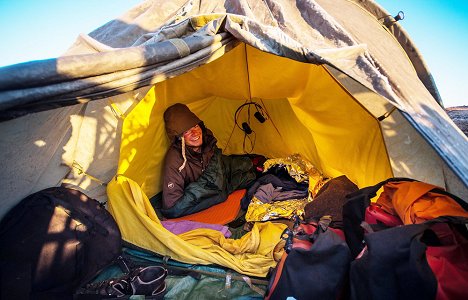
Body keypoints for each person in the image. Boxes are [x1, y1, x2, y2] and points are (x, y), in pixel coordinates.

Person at [160, 103, 257, 219]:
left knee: (248, 165)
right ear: (179, 138)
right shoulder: (175, 160)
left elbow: (217, 164)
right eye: (187, 131)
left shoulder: (207, 139)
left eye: (195, 126)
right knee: (245, 180)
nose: (195, 133)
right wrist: (211, 190)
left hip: (221, 169)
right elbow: (172, 207)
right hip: (209, 186)